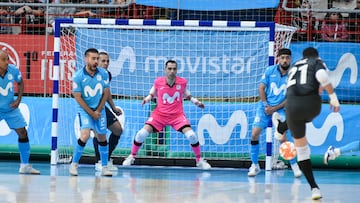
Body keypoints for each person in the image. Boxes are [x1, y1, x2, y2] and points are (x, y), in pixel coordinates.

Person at [273, 47, 340, 200]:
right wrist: (333, 96)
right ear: (316, 56)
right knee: (305, 118)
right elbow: (322, 75)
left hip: (291, 106)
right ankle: (281, 126)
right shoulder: (316, 62)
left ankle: (314, 188)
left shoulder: (294, 66)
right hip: (311, 104)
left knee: (302, 150)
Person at [122, 59, 211, 169]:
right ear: (165, 70)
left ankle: (199, 160)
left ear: (177, 70)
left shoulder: (182, 82)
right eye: (169, 69)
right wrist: (147, 98)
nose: (172, 71)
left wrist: (196, 102)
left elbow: (187, 95)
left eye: (174, 69)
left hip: (177, 116)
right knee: (141, 134)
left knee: (192, 136)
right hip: (159, 115)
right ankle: (132, 156)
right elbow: (152, 92)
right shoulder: (158, 82)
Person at [248, 48, 302, 178]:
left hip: (281, 109)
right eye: (282, 57)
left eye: (287, 58)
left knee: (282, 138)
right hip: (264, 107)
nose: (284, 60)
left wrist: (275, 108)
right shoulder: (270, 70)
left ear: (290, 59)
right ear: (278, 58)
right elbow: (261, 88)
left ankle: (294, 166)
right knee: (254, 134)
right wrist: (266, 105)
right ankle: (254, 165)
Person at [69, 48, 112, 176]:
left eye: (97, 59)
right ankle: (74, 164)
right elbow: (77, 96)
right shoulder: (78, 76)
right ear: (86, 59)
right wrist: (91, 112)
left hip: (100, 110)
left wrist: (98, 110)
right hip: (85, 110)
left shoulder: (103, 73)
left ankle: (104, 166)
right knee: (85, 135)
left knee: (102, 137)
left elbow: (106, 92)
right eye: (93, 58)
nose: (96, 61)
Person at [0, 50, 40, 175]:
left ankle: (25, 165)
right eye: (4, 59)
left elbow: (21, 82)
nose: (7, 62)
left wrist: (18, 99)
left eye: (7, 59)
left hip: (10, 108)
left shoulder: (13, 70)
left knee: (23, 132)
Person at [93, 52, 123, 172]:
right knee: (99, 133)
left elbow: (107, 93)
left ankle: (106, 158)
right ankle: (99, 161)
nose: (105, 63)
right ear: (97, 62)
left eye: (107, 61)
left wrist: (113, 108)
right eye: (103, 61)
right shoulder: (91, 74)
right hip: (91, 108)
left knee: (118, 129)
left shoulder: (107, 75)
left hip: (102, 107)